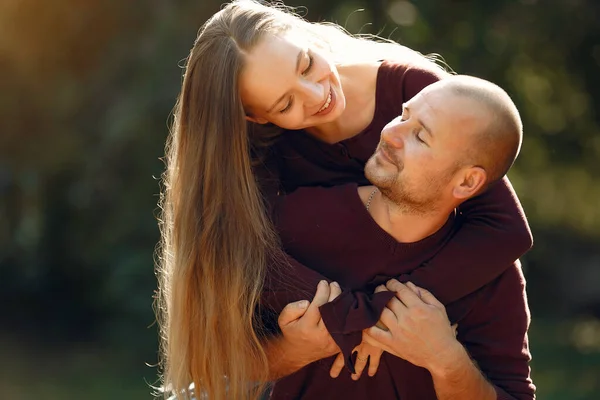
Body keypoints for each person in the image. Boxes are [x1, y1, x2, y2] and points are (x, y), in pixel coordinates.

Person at [155, 1, 532, 399]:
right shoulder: (270, 175)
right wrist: (317, 337)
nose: (316, 95)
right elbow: (248, 267)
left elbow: (506, 228)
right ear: (256, 119)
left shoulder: (419, 95)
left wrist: (400, 321)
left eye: (305, 64)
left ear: (305, 32)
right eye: (285, 104)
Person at [259, 75, 535, 399]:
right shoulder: (296, 220)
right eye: (403, 115)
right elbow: (213, 359)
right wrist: (291, 351)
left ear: (466, 183)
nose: (390, 133)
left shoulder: (490, 274)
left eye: (419, 136)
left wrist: (446, 360)